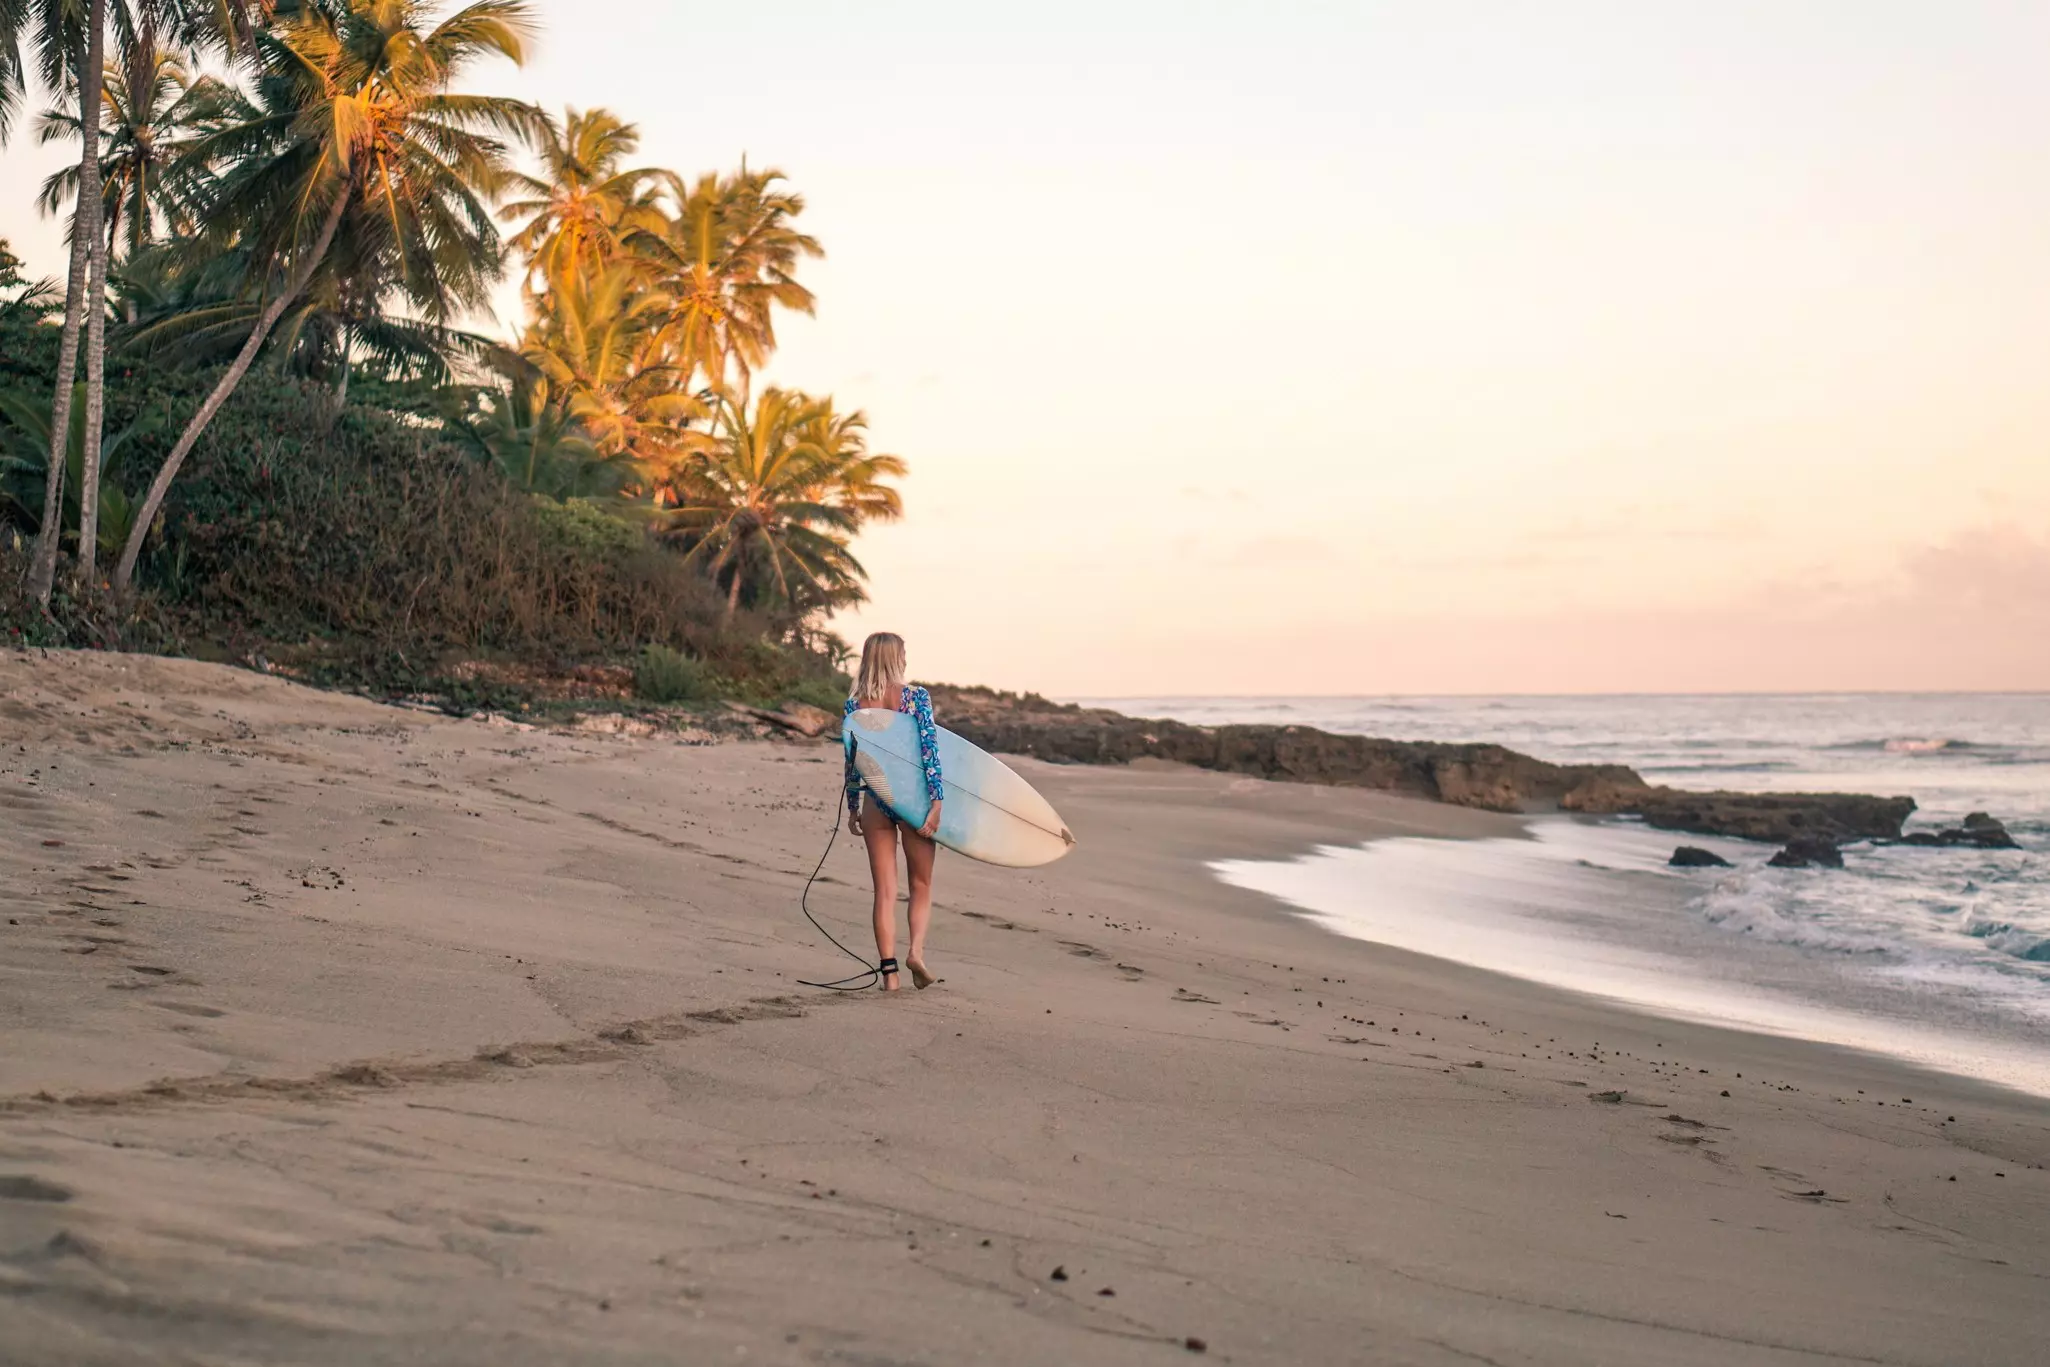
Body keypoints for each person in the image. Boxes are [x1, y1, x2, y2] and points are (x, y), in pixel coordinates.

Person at [843, 632, 944, 991]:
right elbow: (930, 753)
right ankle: (915, 951)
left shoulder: (856, 705)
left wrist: (853, 807)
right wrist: (937, 801)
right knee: (921, 884)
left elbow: (854, 760)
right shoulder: (916, 697)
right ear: (896, 657)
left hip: (877, 800)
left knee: (884, 890)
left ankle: (890, 977)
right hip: (913, 800)